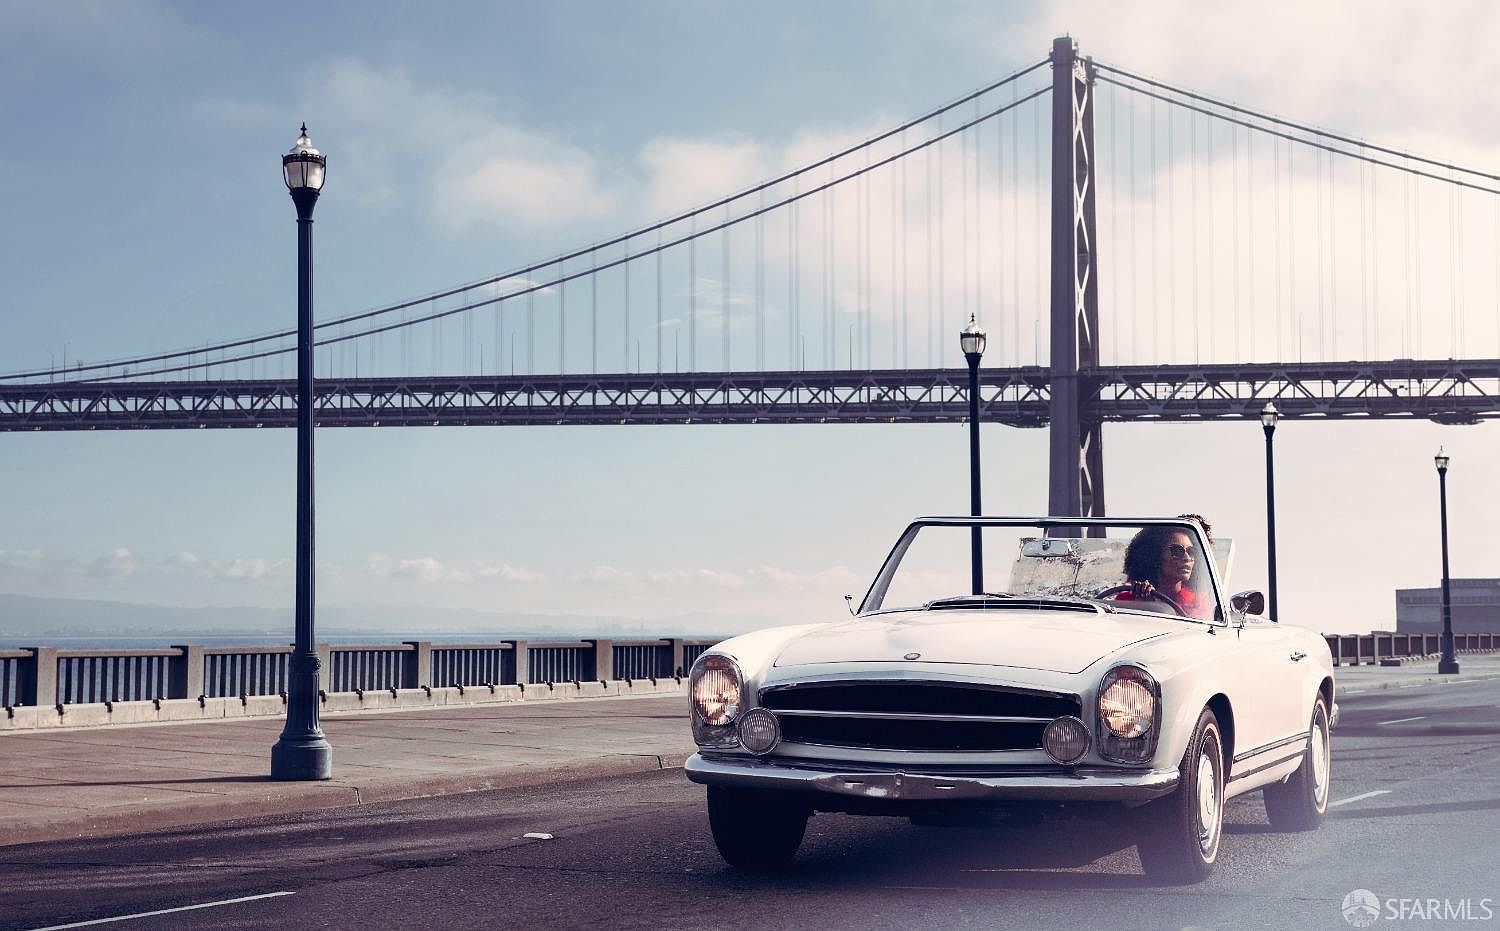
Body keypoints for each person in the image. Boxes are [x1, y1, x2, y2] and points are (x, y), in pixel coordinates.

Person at [1114, 521, 1215, 619]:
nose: (1187, 558)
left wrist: (1152, 607)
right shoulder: (1127, 598)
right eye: (1177, 550)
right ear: (1155, 555)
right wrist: (1141, 605)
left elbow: (1193, 632)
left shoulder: (1198, 602)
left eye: (1191, 551)